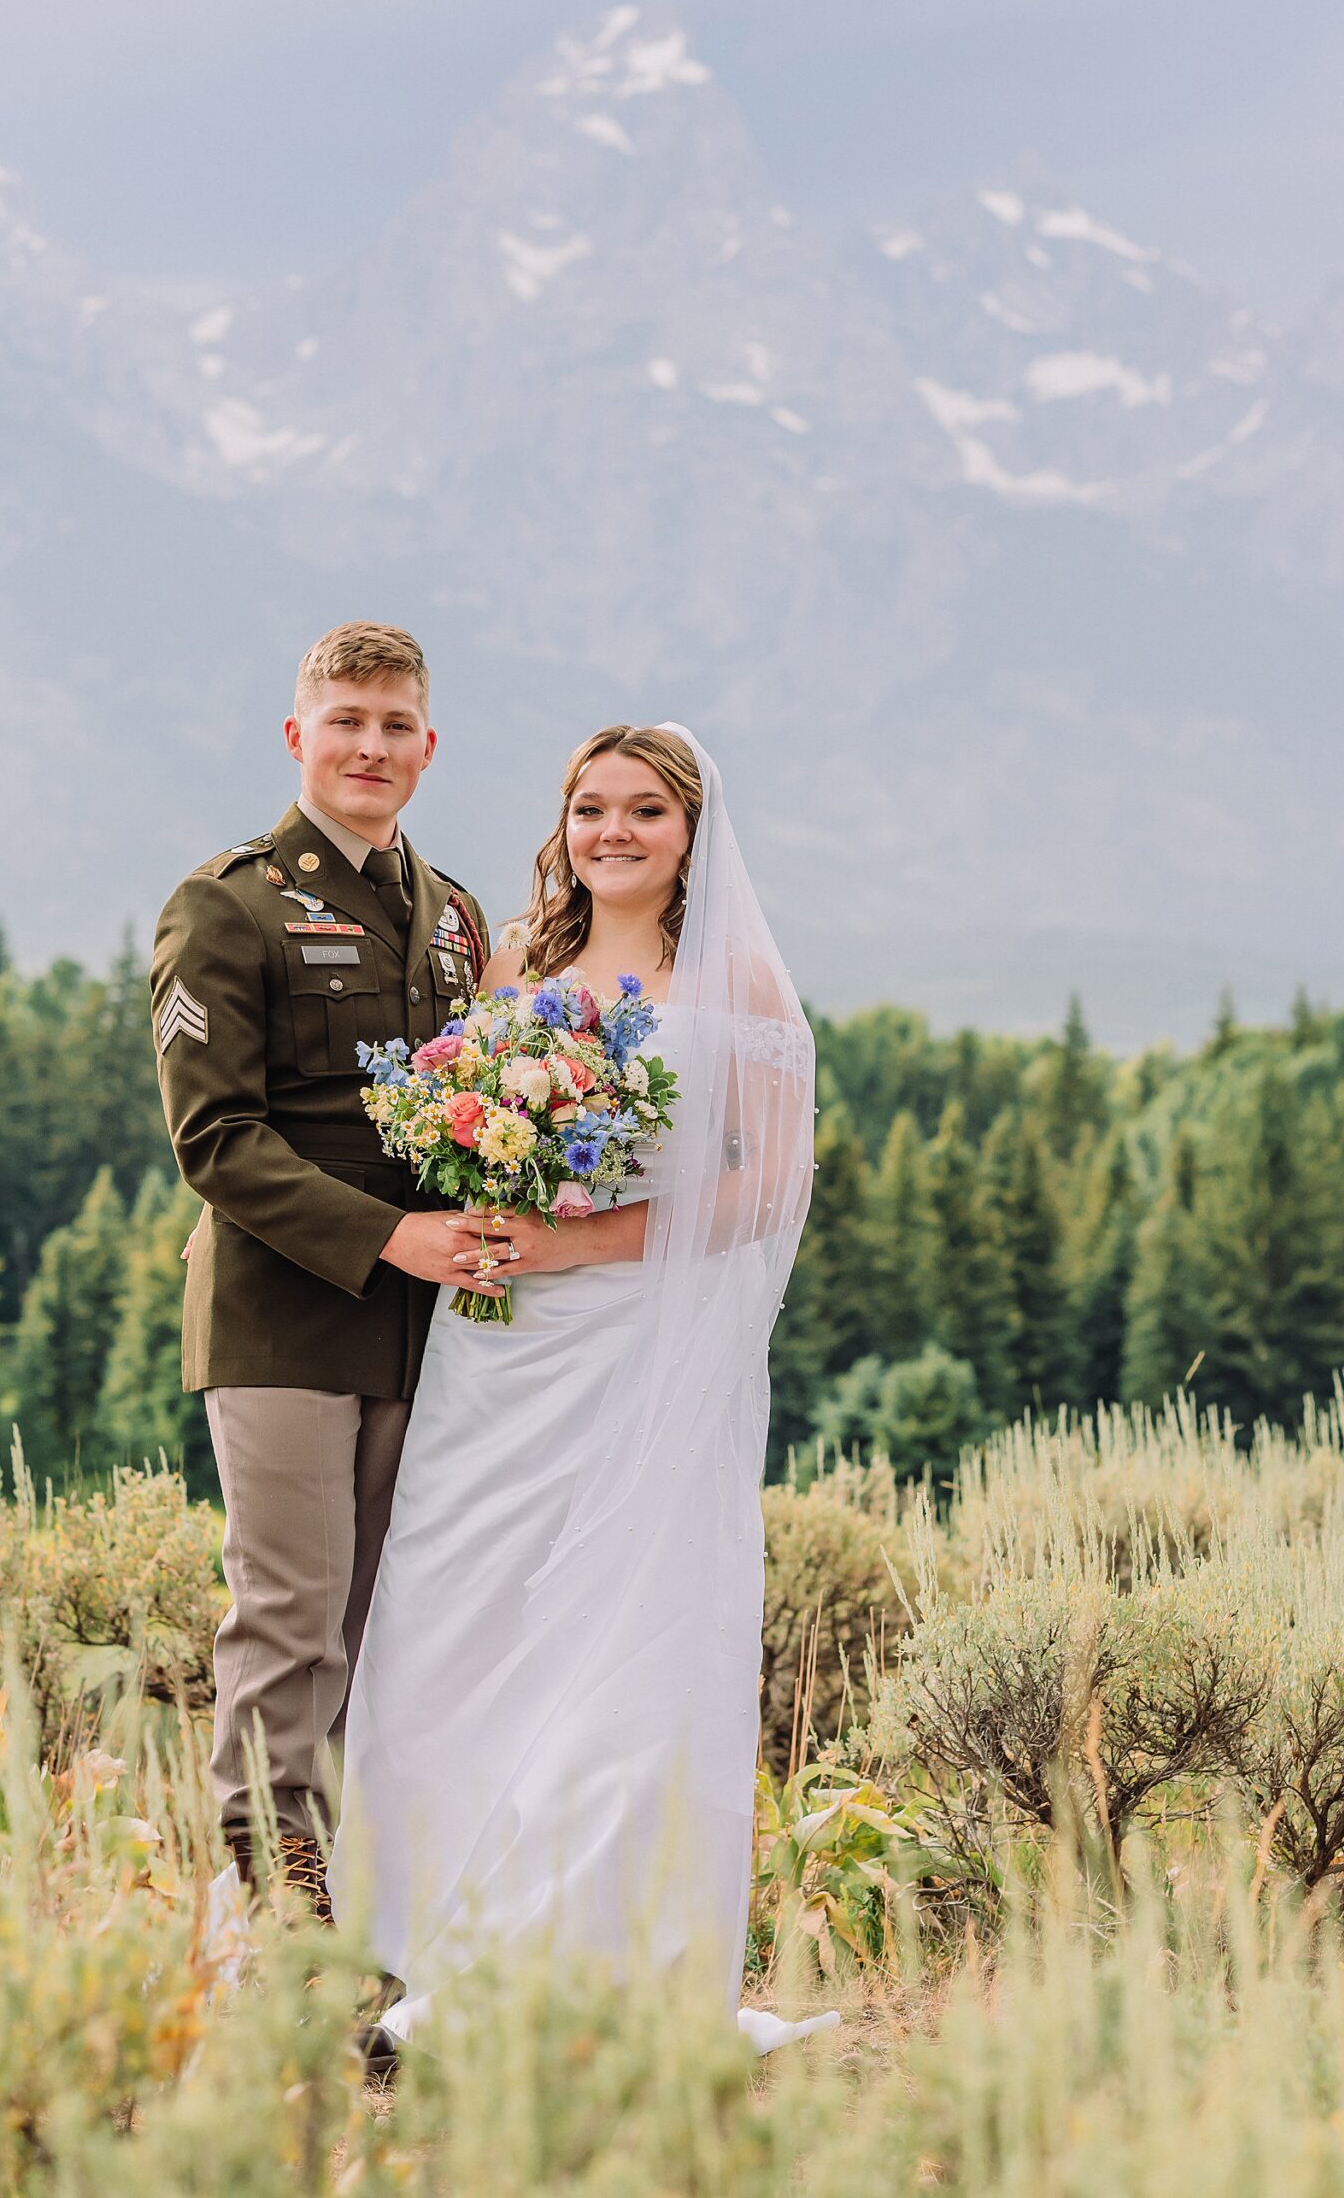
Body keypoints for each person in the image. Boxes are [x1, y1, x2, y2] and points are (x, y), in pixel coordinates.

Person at [328, 722, 832, 2054]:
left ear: (690, 831)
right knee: (459, 1610)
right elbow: (465, 1121)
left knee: (620, 1626)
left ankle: (596, 1954)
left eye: (644, 811)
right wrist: (485, 1191)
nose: (613, 831)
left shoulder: (734, 985)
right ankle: (440, 1933)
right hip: (493, 1345)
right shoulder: (517, 958)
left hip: (635, 1344)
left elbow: (762, 1188)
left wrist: (578, 1238)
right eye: (590, 807)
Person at [150, 621, 490, 1916]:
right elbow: (215, 1141)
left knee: (392, 1634)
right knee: (290, 1625)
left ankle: (376, 1912)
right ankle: (280, 1922)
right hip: (285, 1324)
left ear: (426, 746)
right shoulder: (227, 905)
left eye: (394, 724)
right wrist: (392, 1235)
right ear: (298, 735)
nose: (369, 746)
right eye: (345, 721)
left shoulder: (453, 918)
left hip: (425, 1333)